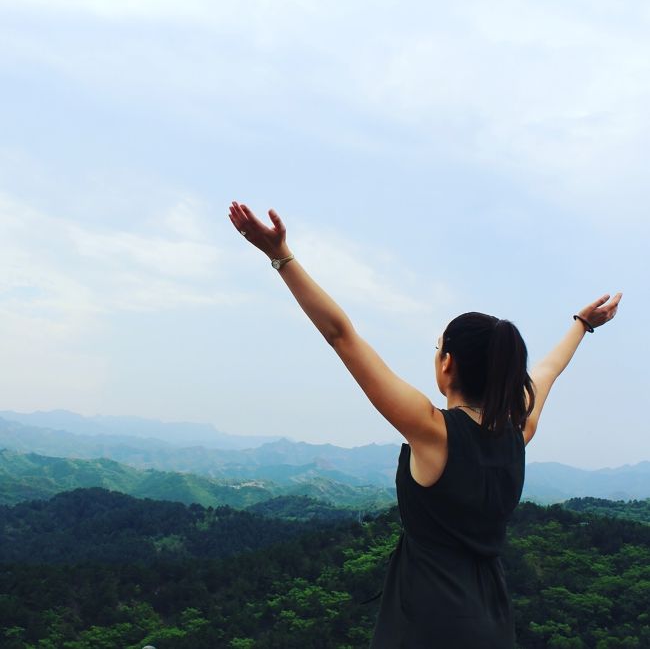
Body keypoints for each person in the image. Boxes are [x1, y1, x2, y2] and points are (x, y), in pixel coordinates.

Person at [227, 201, 622, 648]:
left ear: (448, 362)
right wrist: (582, 325)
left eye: (438, 348)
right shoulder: (518, 432)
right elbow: (548, 371)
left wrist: (280, 256)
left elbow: (341, 335)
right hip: (493, 623)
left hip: (428, 623)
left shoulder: (434, 432)